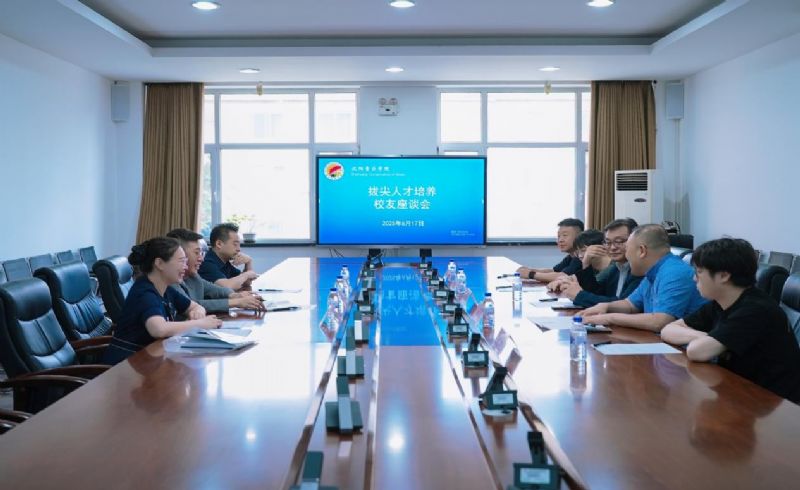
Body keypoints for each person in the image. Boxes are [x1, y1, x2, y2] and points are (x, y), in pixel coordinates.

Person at [662, 238, 800, 403]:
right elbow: (667, 330)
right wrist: (708, 336)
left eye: (699, 272)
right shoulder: (719, 303)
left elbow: (696, 351)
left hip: (776, 403)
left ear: (724, 275)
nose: (694, 279)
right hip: (740, 390)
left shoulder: (755, 309)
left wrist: (710, 339)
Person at [103, 237, 222, 365]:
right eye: (181, 261)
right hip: (125, 366)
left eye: (186, 261)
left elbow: (195, 306)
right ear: (159, 263)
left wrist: (197, 312)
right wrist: (199, 324)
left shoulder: (166, 289)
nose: (185, 266)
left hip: (149, 360)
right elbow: (159, 329)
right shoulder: (144, 293)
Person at [581, 224, 707, 332]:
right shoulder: (653, 272)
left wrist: (610, 318)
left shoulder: (674, 272)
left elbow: (660, 322)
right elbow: (630, 304)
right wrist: (606, 306)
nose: (626, 255)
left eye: (627, 249)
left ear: (642, 251)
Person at [166, 228, 265, 313]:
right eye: (196, 253)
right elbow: (191, 305)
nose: (201, 259)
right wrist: (236, 302)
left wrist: (236, 296)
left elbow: (216, 290)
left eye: (201, 253)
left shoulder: (193, 276)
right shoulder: (170, 280)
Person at [552, 218, 643, 308]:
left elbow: (623, 304)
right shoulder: (617, 267)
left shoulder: (640, 270)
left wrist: (579, 295)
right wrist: (585, 266)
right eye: (608, 242)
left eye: (619, 241)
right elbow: (597, 292)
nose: (612, 247)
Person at [517, 218, 584, 283]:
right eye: (559, 236)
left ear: (579, 237)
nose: (560, 240)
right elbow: (554, 271)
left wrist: (531, 274)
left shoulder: (582, 257)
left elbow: (562, 276)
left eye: (565, 235)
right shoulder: (571, 256)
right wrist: (530, 270)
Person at [198, 222, 258, 290]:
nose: (239, 249)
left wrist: (248, 262)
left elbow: (246, 282)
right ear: (219, 244)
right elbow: (227, 287)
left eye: (239, 245)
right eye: (235, 244)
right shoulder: (206, 262)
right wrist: (247, 274)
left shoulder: (225, 261)